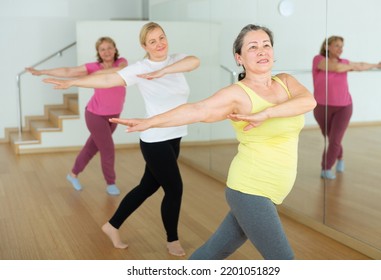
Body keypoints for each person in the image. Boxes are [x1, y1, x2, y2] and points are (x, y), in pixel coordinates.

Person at [109, 24, 316, 260]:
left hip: (271, 190)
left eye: (266, 45)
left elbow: (309, 101)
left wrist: (265, 114)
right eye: (253, 47)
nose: (261, 51)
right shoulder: (236, 94)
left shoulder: (286, 82)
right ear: (239, 58)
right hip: (251, 189)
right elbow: (198, 109)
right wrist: (151, 122)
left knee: (214, 252)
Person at [43, 22, 200, 257]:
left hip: (174, 135)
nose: (159, 44)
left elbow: (195, 62)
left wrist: (164, 71)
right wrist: (75, 82)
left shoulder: (178, 59)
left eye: (162, 38)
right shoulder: (140, 67)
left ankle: (112, 225)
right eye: (153, 41)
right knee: (174, 188)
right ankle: (172, 240)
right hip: (154, 138)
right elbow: (107, 80)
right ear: (144, 46)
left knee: (148, 186)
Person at [27, 37, 128, 195]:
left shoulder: (122, 63)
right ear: (98, 53)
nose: (107, 51)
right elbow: (68, 71)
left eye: (110, 47)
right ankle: (111, 183)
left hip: (114, 115)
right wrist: (42, 71)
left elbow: (119, 71)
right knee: (108, 149)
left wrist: (98, 74)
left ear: (115, 49)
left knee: (91, 148)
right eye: (102, 49)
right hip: (96, 115)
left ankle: (72, 174)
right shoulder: (93, 67)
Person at [312, 36, 381, 179]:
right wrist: (354, 67)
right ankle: (340, 157)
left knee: (334, 140)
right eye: (337, 46)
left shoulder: (345, 62)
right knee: (330, 137)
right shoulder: (318, 60)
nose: (340, 49)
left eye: (342, 46)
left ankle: (326, 168)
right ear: (327, 47)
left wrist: (376, 65)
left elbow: (361, 64)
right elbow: (337, 68)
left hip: (344, 107)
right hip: (322, 107)